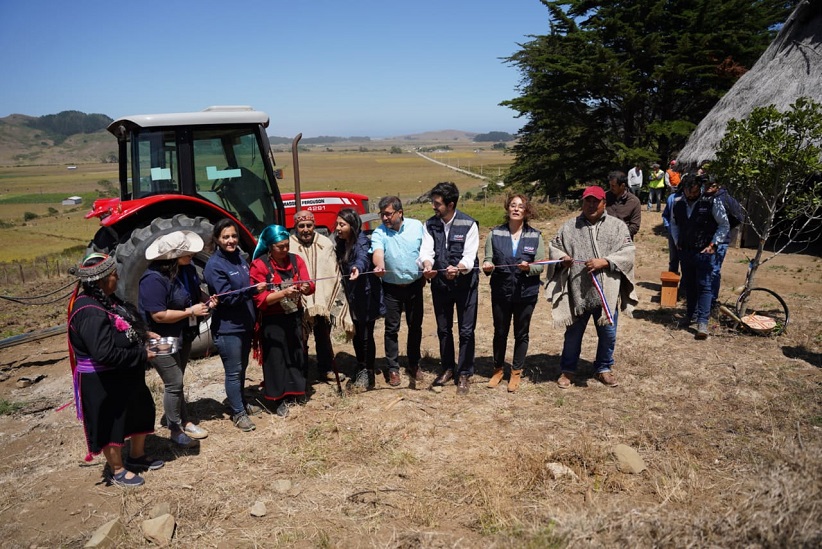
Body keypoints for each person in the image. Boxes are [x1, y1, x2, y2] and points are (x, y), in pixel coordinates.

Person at [68, 253, 163, 487]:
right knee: (111, 423)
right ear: (100, 281)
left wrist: (144, 334)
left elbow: (124, 325)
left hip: (124, 374)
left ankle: (137, 456)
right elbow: (104, 353)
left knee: (141, 410)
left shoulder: (108, 301)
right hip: (103, 381)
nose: (117, 278)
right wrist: (142, 354)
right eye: (113, 275)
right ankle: (117, 469)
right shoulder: (89, 311)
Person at [546, 186, 638, 389]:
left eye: (596, 201)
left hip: (607, 292)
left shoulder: (617, 226)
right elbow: (555, 246)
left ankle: (604, 367)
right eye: (587, 201)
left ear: (604, 202)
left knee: (608, 333)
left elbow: (628, 251)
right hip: (578, 291)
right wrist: (562, 258)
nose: (591, 205)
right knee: (573, 334)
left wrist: (605, 261)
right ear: (582, 202)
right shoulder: (570, 226)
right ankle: (568, 370)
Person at [139, 231, 212, 448]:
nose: (191, 253)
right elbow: (158, 315)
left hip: (182, 334)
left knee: (178, 379)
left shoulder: (187, 268)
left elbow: (194, 291)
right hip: (158, 336)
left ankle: (185, 420)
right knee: (174, 381)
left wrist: (206, 300)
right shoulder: (152, 279)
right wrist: (191, 311)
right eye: (186, 252)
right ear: (173, 256)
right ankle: (175, 428)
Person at [203, 219, 267, 432]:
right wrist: (253, 290)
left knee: (241, 369)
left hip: (244, 324)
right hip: (228, 328)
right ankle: (238, 412)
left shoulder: (239, 258)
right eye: (226, 237)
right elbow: (226, 297)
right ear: (217, 239)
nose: (231, 241)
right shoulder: (215, 265)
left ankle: (239, 402)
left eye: (233, 236)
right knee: (233, 370)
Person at [420, 182, 480, 395]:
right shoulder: (429, 225)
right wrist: (427, 265)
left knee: (466, 330)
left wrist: (460, 268)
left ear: (451, 204)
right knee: (443, 329)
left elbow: (470, 256)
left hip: (465, 285)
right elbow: (426, 251)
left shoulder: (469, 224)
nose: (433, 207)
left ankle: (464, 372)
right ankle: (447, 368)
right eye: (433, 202)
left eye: (437, 203)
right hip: (440, 285)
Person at [481, 194, 545, 393]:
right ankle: (498, 370)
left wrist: (529, 268)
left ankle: (516, 372)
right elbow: (488, 259)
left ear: (526, 211)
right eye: (513, 205)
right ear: (507, 209)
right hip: (501, 291)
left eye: (520, 206)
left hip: (526, 293)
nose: (516, 209)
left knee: (521, 333)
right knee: (500, 332)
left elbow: (541, 265)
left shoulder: (535, 236)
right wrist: (487, 266)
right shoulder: (495, 234)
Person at [250, 225, 315, 417]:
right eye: (280, 247)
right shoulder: (259, 266)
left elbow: (310, 283)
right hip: (272, 319)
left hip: (294, 314)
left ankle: (296, 392)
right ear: (269, 246)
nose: (285, 250)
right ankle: (278, 398)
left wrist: (305, 288)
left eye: (287, 245)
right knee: (276, 358)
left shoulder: (296, 261)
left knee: (296, 353)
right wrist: (283, 293)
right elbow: (260, 300)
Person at [289, 210, 351, 384]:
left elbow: (331, 271)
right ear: (296, 227)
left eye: (309, 225)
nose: (306, 229)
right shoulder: (289, 245)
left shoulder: (325, 243)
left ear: (314, 225)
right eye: (301, 226)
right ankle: (302, 372)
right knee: (300, 337)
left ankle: (326, 369)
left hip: (323, 299)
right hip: (299, 300)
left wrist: (327, 295)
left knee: (323, 336)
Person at [371, 196, 426, 387]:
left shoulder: (417, 226)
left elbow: (426, 250)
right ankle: (393, 368)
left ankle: (413, 364)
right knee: (391, 329)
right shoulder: (379, 232)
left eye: (388, 214)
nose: (385, 218)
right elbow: (378, 252)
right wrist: (379, 266)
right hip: (391, 289)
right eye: (382, 214)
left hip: (414, 286)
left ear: (400, 213)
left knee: (415, 326)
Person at [670, 174, 730, 340]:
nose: (691, 195)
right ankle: (690, 315)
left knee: (704, 285)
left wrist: (713, 244)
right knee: (689, 284)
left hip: (704, 252)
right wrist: (677, 242)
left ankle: (702, 322)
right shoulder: (677, 203)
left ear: (700, 189)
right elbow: (674, 224)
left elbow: (724, 225)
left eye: (695, 192)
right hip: (686, 251)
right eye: (688, 192)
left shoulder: (711, 202)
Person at [335, 208, 385, 391]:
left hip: (366, 295)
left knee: (365, 335)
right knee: (356, 333)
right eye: (337, 224)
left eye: (342, 224)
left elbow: (363, 258)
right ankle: (361, 364)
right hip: (352, 295)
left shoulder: (362, 242)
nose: (338, 228)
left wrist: (357, 268)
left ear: (352, 225)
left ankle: (368, 372)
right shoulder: (341, 243)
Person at [703, 177, 744, 309]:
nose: (709, 186)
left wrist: (723, 233)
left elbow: (738, 218)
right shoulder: (706, 197)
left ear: (718, 185)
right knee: (706, 269)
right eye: (707, 184)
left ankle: (712, 300)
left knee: (714, 270)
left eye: (712, 184)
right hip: (706, 240)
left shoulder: (724, 199)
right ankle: (705, 298)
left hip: (719, 241)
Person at [605, 171, 641, 239]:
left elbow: (634, 226)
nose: (611, 188)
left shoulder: (634, 202)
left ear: (622, 186)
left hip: (623, 241)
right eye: (610, 185)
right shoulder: (604, 197)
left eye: (613, 186)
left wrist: (620, 235)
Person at [662, 184, 685, 275]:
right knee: (673, 259)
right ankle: (671, 285)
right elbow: (666, 215)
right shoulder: (672, 198)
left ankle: (685, 286)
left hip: (687, 235)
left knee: (686, 261)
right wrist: (669, 228)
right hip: (673, 233)